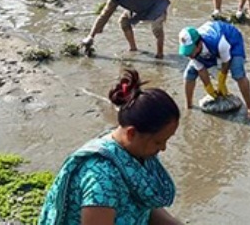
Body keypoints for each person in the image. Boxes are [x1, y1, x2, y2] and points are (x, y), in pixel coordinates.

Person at [38, 69, 181, 225]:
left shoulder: (134, 153)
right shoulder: (101, 179)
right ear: (131, 133)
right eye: (158, 142)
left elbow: (143, 201)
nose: (163, 148)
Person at [179, 21, 250, 119]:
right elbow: (201, 70)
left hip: (232, 41)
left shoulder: (220, 42)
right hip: (211, 48)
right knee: (189, 74)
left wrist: (221, 81)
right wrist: (209, 88)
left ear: (199, 44)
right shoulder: (191, 51)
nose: (189, 55)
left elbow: (225, 63)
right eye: (187, 51)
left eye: (190, 51)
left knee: (238, 73)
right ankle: (188, 106)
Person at [84, 0, 176, 56]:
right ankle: (133, 48)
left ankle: (160, 54)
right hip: (138, 9)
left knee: (156, 28)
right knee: (123, 21)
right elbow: (104, 16)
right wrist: (91, 36)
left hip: (156, 6)